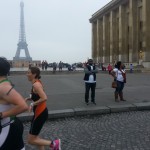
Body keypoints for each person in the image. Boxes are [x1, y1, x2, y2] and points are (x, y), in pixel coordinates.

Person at [26, 66, 61, 150]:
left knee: (31, 140)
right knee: (36, 138)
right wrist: (29, 98)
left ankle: (54, 144)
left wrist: (32, 104)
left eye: (28, 73)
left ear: (34, 74)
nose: (26, 74)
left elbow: (44, 97)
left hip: (40, 114)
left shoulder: (36, 85)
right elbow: (38, 96)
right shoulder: (37, 82)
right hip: (40, 113)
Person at [0, 57, 28, 150]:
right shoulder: (4, 84)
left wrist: (1, 115)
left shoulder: (3, 87)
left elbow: (23, 106)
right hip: (9, 126)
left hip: (7, 127)